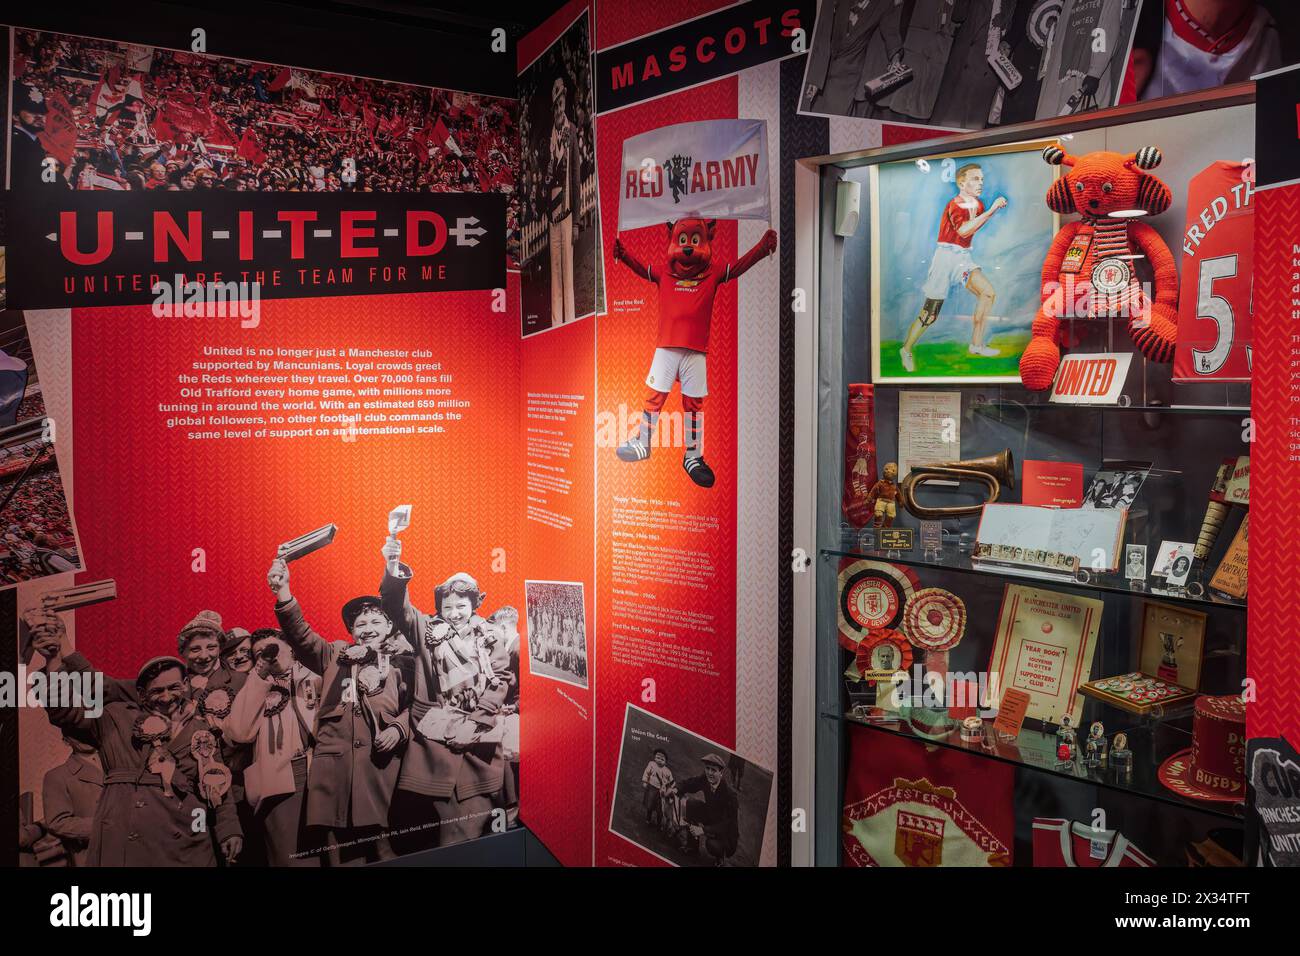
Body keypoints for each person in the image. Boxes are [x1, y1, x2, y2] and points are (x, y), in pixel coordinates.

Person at [31, 614, 243, 866]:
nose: (166, 698)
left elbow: (216, 781)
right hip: (131, 837)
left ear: (185, 684)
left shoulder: (200, 730)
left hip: (186, 842)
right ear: (141, 694)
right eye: (157, 691)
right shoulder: (116, 717)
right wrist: (53, 660)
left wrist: (229, 829)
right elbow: (64, 712)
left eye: (174, 688)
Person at [267, 556, 410, 866]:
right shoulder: (334, 654)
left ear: (389, 626)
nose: (368, 628)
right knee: (335, 850)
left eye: (376, 622)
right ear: (351, 630)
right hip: (333, 765)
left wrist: (398, 729)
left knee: (382, 846)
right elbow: (300, 634)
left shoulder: (402, 661)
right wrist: (284, 591)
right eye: (361, 624)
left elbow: (416, 707)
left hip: (379, 764)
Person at [380, 536, 513, 849]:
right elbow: (396, 605)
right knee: (444, 837)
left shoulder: (490, 635)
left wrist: (475, 722)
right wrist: (392, 565)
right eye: (447, 606)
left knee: (469, 831)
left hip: (478, 745)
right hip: (436, 747)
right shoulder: (426, 631)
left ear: (474, 605)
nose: (454, 613)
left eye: (461, 606)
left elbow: (501, 679)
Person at [223, 628, 322, 866]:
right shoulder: (257, 687)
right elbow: (239, 731)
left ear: (290, 647)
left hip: (321, 775)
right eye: (259, 654)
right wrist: (259, 677)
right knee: (292, 859)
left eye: (273, 648)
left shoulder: (314, 674)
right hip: (280, 785)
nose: (268, 655)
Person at [899, 163, 1006, 373]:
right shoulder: (956, 204)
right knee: (930, 314)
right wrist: (993, 210)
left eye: (982, 179)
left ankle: (976, 345)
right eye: (975, 179)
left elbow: (971, 230)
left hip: (963, 257)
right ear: (961, 182)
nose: (980, 183)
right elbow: (964, 231)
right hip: (945, 258)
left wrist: (988, 211)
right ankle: (906, 349)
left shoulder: (978, 205)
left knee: (987, 293)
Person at [41, 731, 104, 867]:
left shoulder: (117, 765)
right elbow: (57, 822)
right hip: (93, 857)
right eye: (75, 732)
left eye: (84, 730)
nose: (82, 736)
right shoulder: (57, 776)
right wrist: (105, 827)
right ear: (66, 740)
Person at [546, 75, 578, 326]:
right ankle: (557, 324)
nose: (559, 109)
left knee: (567, 271)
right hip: (551, 211)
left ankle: (570, 322)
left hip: (567, 210)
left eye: (561, 104)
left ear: (565, 103)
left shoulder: (571, 132)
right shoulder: (550, 138)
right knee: (554, 272)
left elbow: (576, 176)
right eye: (555, 106)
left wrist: (576, 221)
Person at [675, 752, 740, 865]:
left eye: (713, 770)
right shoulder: (705, 778)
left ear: (721, 772)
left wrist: (703, 830)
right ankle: (692, 848)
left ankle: (719, 859)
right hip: (711, 815)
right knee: (691, 804)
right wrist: (675, 789)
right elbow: (690, 784)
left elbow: (728, 824)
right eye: (707, 768)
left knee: (711, 845)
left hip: (724, 831)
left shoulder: (730, 795)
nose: (709, 773)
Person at [642, 748, 674, 828]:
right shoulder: (651, 764)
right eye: (657, 758)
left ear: (666, 762)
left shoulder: (667, 771)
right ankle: (648, 819)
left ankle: (659, 823)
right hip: (651, 788)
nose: (659, 760)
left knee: (660, 809)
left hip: (661, 793)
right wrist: (645, 781)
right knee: (649, 805)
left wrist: (670, 794)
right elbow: (646, 773)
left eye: (662, 759)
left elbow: (671, 783)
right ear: (654, 758)